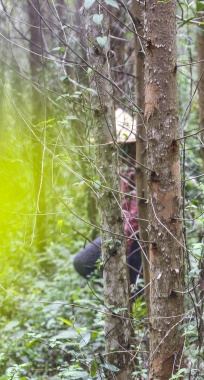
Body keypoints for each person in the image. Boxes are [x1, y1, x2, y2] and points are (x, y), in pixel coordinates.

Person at [73, 109, 143, 300]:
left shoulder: (139, 166)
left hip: (137, 238)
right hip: (120, 231)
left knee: (135, 286)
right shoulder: (120, 165)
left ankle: (130, 297)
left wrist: (122, 242)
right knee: (82, 262)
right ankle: (119, 293)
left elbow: (136, 214)